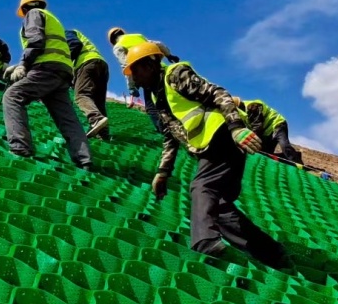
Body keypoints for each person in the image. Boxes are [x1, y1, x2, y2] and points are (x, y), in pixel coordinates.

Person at [123, 42, 289, 268]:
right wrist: (163, 172)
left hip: (222, 135)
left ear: (150, 65)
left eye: (136, 71)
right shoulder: (156, 97)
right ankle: (272, 254)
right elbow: (170, 135)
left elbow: (218, 93)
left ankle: (205, 241)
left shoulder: (175, 75)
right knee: (218, 207)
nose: (134, 78)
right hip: (210, 145)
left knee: (202, 186)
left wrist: (236, 127)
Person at [1, 0, 92, 170]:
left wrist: (23, 65)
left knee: (12, 96)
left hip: (46, 68)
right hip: (62, 71)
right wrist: (20, 65)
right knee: (66, 117)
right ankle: (84, 159)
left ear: (25, 8)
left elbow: (37, 41)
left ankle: (20, 147)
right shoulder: (52, 18)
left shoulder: (33, 14)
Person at [107, 27, 179, 130]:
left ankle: (166, 131)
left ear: (112, 41)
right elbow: (158, 44)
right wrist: (169, 55)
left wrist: (131, 87)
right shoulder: (138, 36)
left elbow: (126, 65)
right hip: (161, 69)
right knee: (171, 98)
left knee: (151, 107)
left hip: (146, 75)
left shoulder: (118, 46)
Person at [65, 29, 110, 139]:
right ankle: (103, 133)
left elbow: (75, 44)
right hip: (101, 64)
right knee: (98, 102)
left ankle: (96, 118)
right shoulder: (77, 34)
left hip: (86, 62)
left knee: (81, 95)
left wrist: (65, 64)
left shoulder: (65, 32)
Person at [234, 97, 303, 165]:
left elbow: (257, 127)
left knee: (285, 146)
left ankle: (299, 164)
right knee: (265, 154)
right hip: (267, 132)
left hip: (277, 124)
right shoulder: (241, 115)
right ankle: (295, 155)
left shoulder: (252, 106)